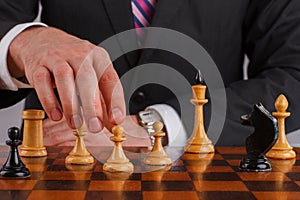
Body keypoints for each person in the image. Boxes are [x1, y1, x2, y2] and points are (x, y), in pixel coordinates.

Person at [1, 0, 300, 146]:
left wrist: (160, 127)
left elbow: (293, 74)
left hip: (208, 178)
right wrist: (20, 43)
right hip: (59, 174)